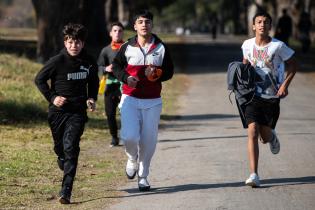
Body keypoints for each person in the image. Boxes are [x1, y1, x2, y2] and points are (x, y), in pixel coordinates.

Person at [35, 23, 99, 204]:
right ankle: (61, 156)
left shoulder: (89, 61)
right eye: (70, 42)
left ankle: (66, 191)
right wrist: (52, 97)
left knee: (71, 147)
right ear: (65, 42)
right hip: (57, 113)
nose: (74, 46)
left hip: (77, 112)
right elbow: (39, 79)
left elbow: (93, 83)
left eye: (77, 42)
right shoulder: (57, 61)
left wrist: (91, 98)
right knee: (61, 148)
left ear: (83, 43)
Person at [112, 10, 174, 191]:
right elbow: (116, 66)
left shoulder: (161, 47)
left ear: (151, 25)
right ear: (135, 26)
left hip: (152, 100)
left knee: (148, 141)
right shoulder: (127, 46)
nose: (144, 25)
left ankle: (143, 175)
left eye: (147, 21)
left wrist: (157, 74)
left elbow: (169, 71)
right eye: (140, 22)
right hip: (130, 97)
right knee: (129, 136)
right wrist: (125, 78)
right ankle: (132, 159)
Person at [240, 11, 297, 187]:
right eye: (259, 22)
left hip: (272, 97)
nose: (262, 24)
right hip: (252, 96)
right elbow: (245, 64)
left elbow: (294, 65)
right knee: (252, 132)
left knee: (264, 137)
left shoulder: (278, 46)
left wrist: (284, 85)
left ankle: (271, 137)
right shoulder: (247, 44)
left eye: (266, 22)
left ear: (270, 26)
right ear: (253, 26)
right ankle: (254, 174)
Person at [97, 22, 124, 147]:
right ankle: (114, 137)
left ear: (122, 33)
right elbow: (99, 66)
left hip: (125, 85)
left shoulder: (128, 48)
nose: (117, 33)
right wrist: (105, 69)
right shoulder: (106, 50)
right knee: (110, 113)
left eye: (119, 31)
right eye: (115, 30)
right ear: (110, 33)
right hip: (110, 85)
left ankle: (129, 135)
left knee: (127, 113)